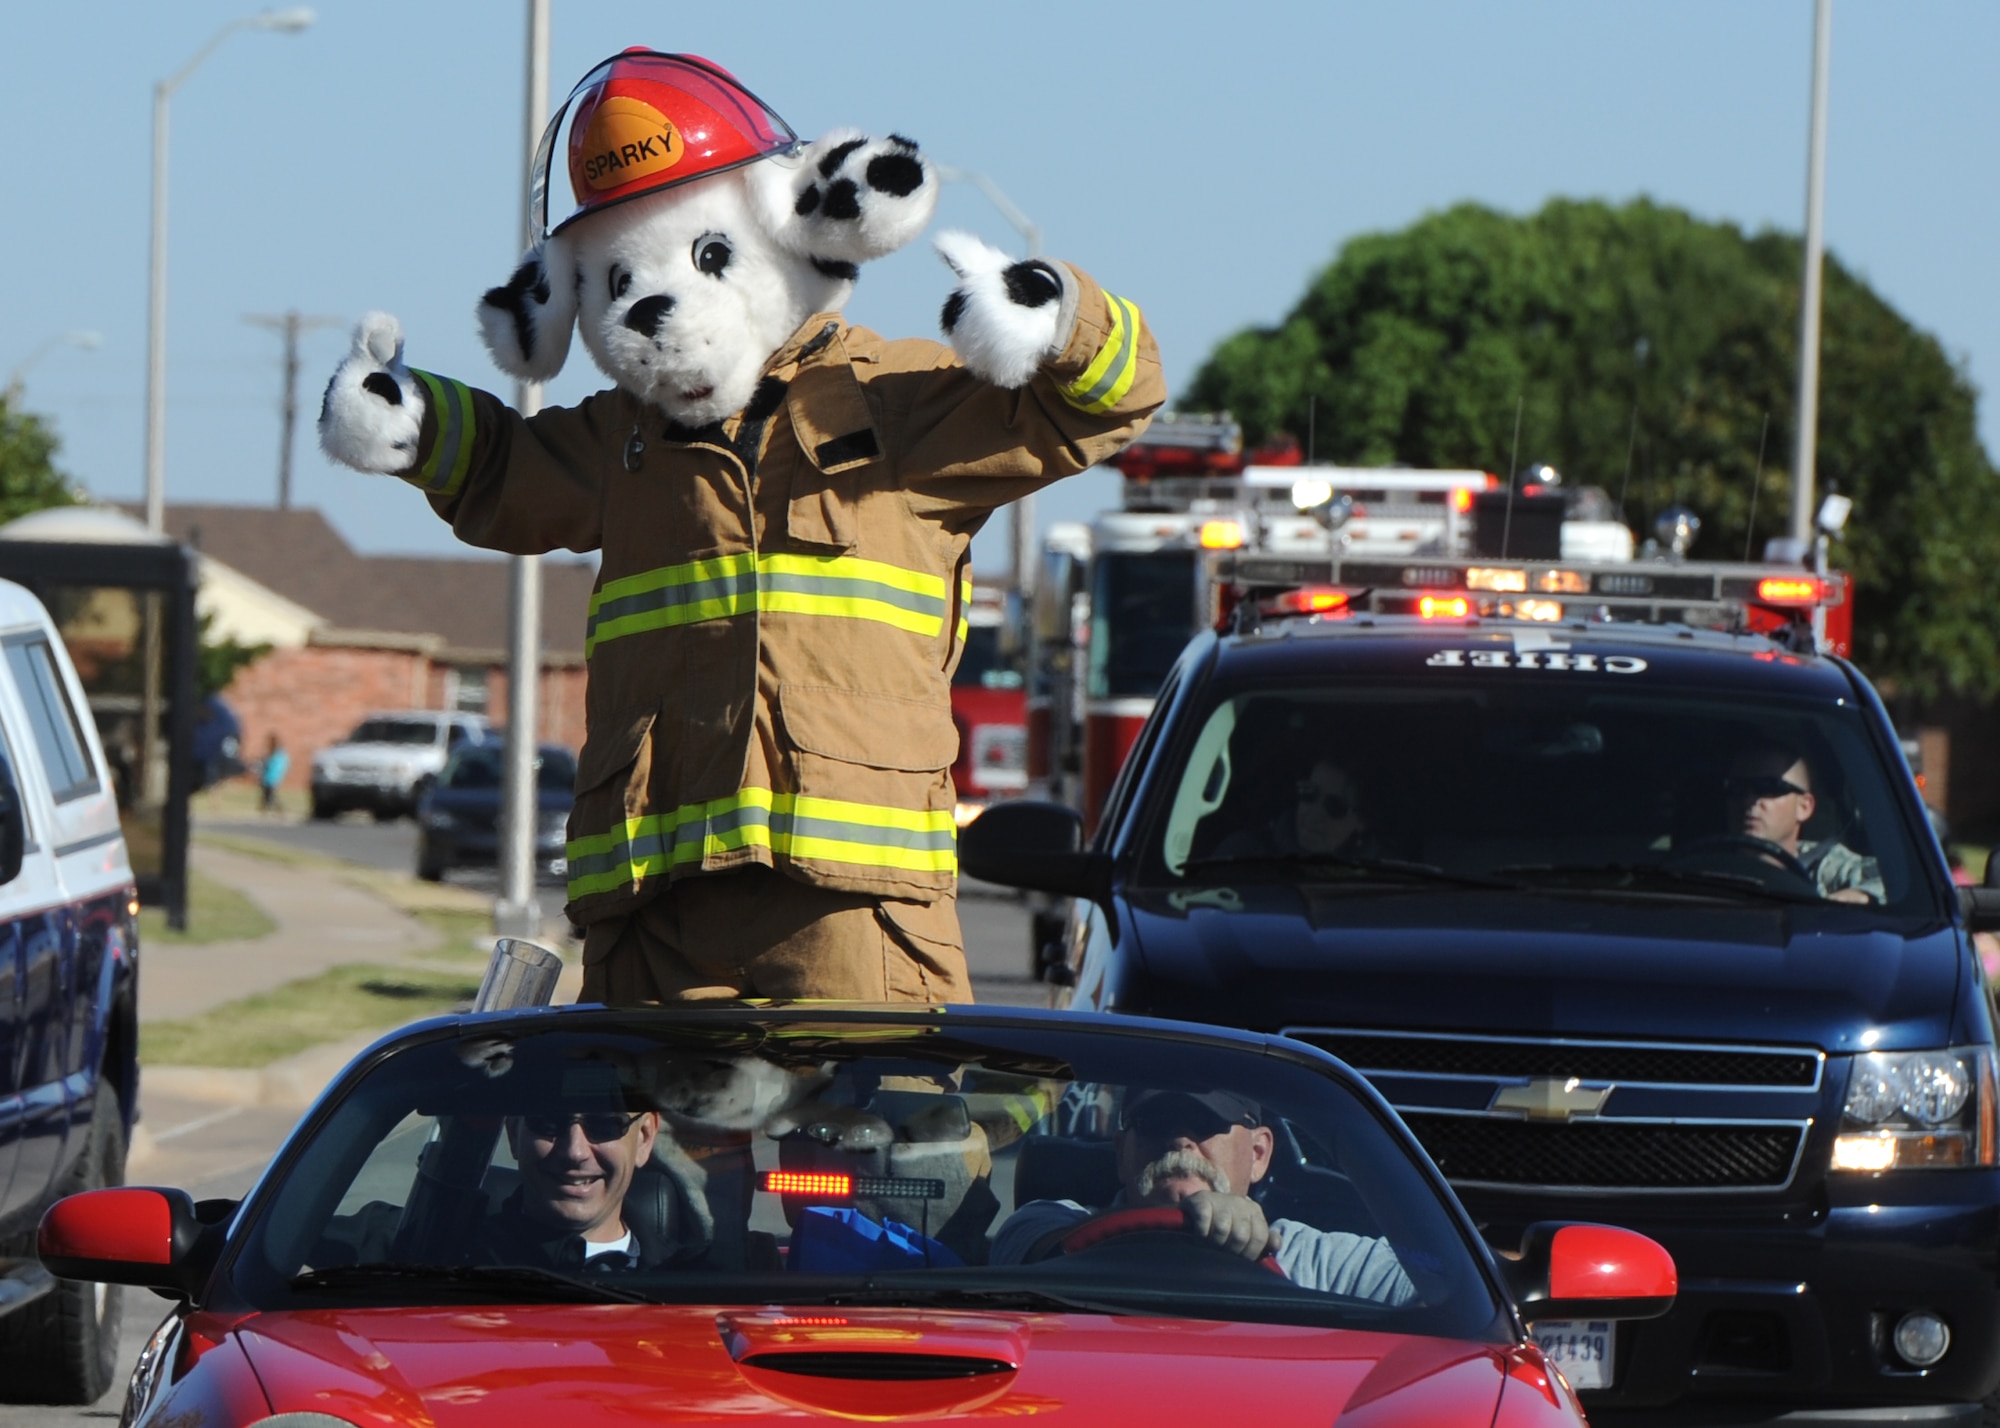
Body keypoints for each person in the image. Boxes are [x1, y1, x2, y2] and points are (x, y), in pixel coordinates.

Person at [990, 1089, 1416, 1304]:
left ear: (1259, 1154)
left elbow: (1461, 1290)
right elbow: (1019, 1253)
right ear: (1121, 1152)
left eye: (1203, 1122)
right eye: (1156, 1121)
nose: (1180, 1140)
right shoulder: (1048, 1221)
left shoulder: (1318, 1262)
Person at [476, 1103, 678, 1271]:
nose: (575, 1152)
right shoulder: (454, 1269)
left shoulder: (691, 1288)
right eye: (549, 1122)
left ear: (644, 1137)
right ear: (513, 1133)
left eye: (604, 1124)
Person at [1724, 743, 1884, 904]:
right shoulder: (1709, 866)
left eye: (1768, 787)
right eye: (1737, 788)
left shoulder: (1822, 866)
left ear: (1804, 807)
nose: (1749, 800)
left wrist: (1857, 896)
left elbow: (1893, 882)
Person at [1210, 757, 1371, 861]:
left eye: (1334, 806)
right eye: (1309, 793)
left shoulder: (1384, 884)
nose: (1314, 815)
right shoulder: (1242, 854)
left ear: (1361, 821)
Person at [258, 734, 289, 814]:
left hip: (271, 777)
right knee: (267, 794)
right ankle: (265, 809)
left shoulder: (277, 754)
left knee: (271, 795)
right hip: (269, 776)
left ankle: (278, 810)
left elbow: (272, 764)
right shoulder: (278, 754)